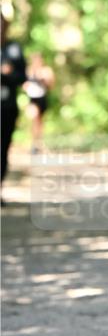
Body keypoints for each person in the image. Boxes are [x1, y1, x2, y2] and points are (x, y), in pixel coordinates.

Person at [1, 13, 27, 201]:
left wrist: (8, 74)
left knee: (2, 148)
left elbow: (22, 77)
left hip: (7, 107)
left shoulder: (13, 49)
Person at [24, 52, 55, 152]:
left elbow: (51, 85)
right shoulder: (28, 70)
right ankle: (34, 143)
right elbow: (23, 84)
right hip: (33, 99)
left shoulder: (46, 71)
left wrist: (43, 79)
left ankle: (38, 142)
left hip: (42, 98)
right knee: (34, 119)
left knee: (40, 121)